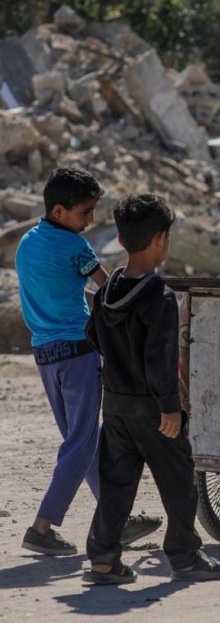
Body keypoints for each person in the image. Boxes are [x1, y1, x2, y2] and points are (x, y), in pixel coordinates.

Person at [82, 193, 220, 584]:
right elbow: (161, 357)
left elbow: (92, 334)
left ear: (122, 236)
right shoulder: (158, 296)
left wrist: (120, 366)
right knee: (179, 480)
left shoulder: (108, 289)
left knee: (115, 485)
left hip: (114, 407)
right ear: (161, 239)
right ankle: (184, 557)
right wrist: (170, 407)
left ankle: (103, 560)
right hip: (152, 410)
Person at [15, 167, 161, 556]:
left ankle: (117, 519)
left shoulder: (27, 243)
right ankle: (42, 527)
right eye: (85, 212)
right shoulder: (75, 248)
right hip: (78, 352)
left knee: (84, 440)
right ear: (60, 210)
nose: (90, 221)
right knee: (81, 442)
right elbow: (108, 286)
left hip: (45, 355)